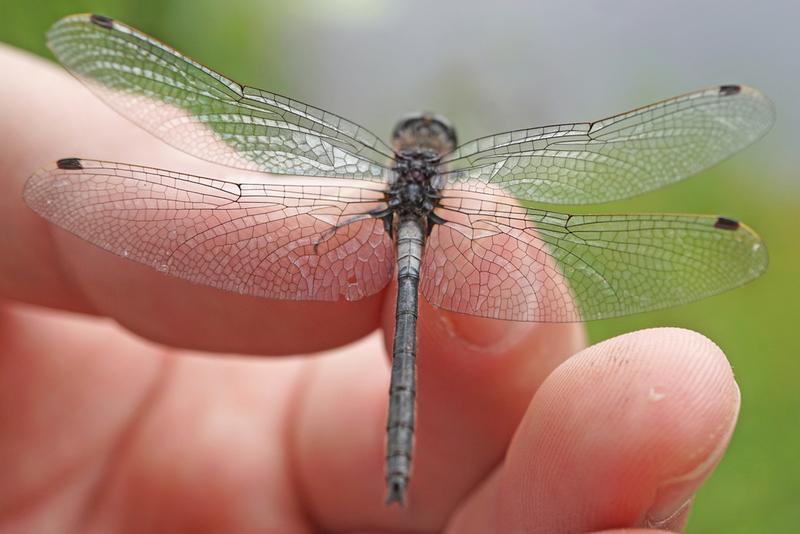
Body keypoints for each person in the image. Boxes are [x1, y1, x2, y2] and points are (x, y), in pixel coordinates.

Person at [0, 43, 740, 533]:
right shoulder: (454, 191)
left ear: (398, 156)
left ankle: (396, 472)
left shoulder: (382, 185)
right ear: (441, 160)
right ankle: (401, 476)